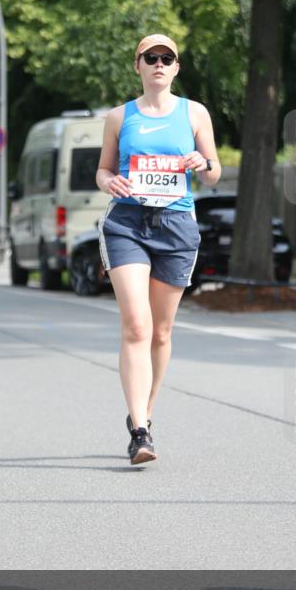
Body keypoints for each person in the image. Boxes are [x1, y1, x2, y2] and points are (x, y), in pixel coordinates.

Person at [96, 33, 221, 465]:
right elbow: (103, 169)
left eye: (167, 58)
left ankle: (143, 415)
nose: (159, 63)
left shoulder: (195, 113)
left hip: (176, 225)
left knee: (162, 332)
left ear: (176, 68)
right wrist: (108, 181)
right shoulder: (119, 117)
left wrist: (202, 163)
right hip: (127, 223)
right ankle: (141, 431)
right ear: (138, 66)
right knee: (136, 325)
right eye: (150, 57)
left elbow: (214, 172)